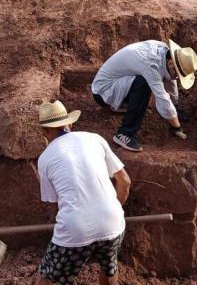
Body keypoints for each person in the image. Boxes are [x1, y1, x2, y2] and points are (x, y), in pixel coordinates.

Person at [35, 100, 131, 285]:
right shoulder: (95, 138)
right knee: (109, 269)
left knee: (47, 277)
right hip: (113, 223)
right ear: (69, 123)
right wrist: (111, 210)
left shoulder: (45, 158)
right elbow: (125, 181)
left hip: (75, 228)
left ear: (45, 132)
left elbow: (55, 205)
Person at [91, 40, 197, 152]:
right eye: (177, 74)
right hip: (102, 91)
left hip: (118, 81)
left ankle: (121, 105)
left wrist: (175, 106)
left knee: (153, 78)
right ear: (171, 62)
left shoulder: (163, 51)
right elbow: (162, 98)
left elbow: (170, 79)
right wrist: (176, 126)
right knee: (143, 84)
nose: (177, 77)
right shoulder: (151, 64)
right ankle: (124, 134)